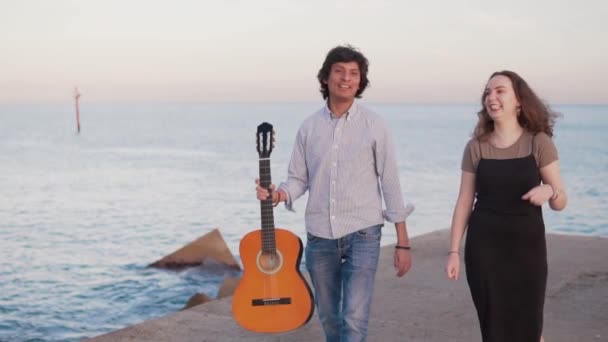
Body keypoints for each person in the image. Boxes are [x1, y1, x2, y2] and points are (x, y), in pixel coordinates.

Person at [255, 45, 414, 341]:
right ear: (326, 78)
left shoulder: (375, 125)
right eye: (339, 71)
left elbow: (390, 182)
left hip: (363, 234)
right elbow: (298, 180)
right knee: (328, 316)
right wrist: (278, 195)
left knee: (354, 318)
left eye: (354, 73)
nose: (346, 78)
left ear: (360, 81)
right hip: (320, 236)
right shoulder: (309, 128)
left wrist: (402, 242)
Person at [445, 70, 568, 342]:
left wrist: (550, 190)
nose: (492, 97)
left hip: (527, 252)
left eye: (500, 90)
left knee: (530, 327)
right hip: (484, 250)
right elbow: (465, 200)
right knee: (495, 330)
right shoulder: (475, 147)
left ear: (519, 101)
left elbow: (561, 202)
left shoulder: (539, 142)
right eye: (488, 92)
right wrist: (453, 250)